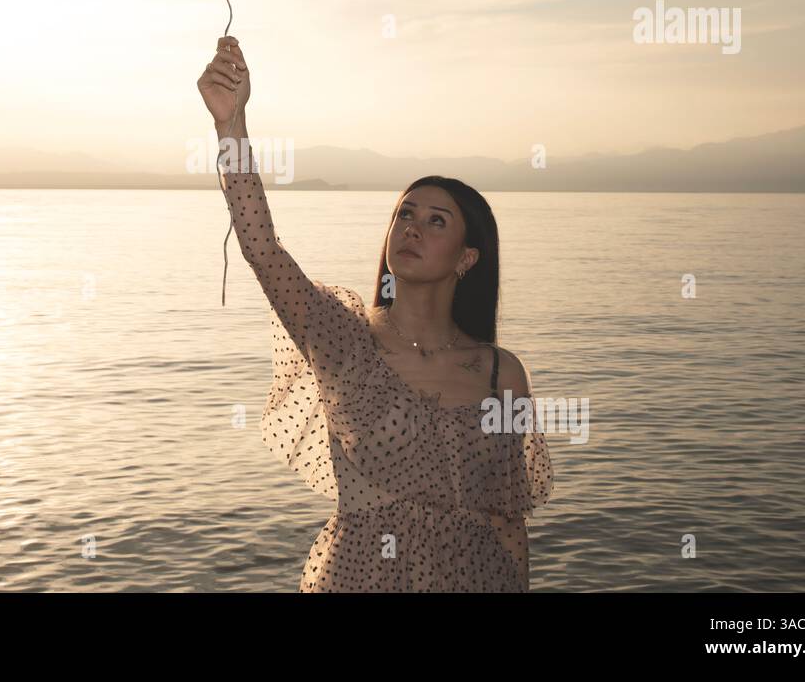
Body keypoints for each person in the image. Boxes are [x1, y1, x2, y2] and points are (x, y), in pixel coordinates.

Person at [197, 35, 554, 591]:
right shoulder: (341, 337)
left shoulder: (498, 372)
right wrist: (232, 123)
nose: (412, 226)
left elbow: (507, 518)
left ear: (467, 257)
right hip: (362, 578)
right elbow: (262, 249)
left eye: (437, 220)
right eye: (405, 214)